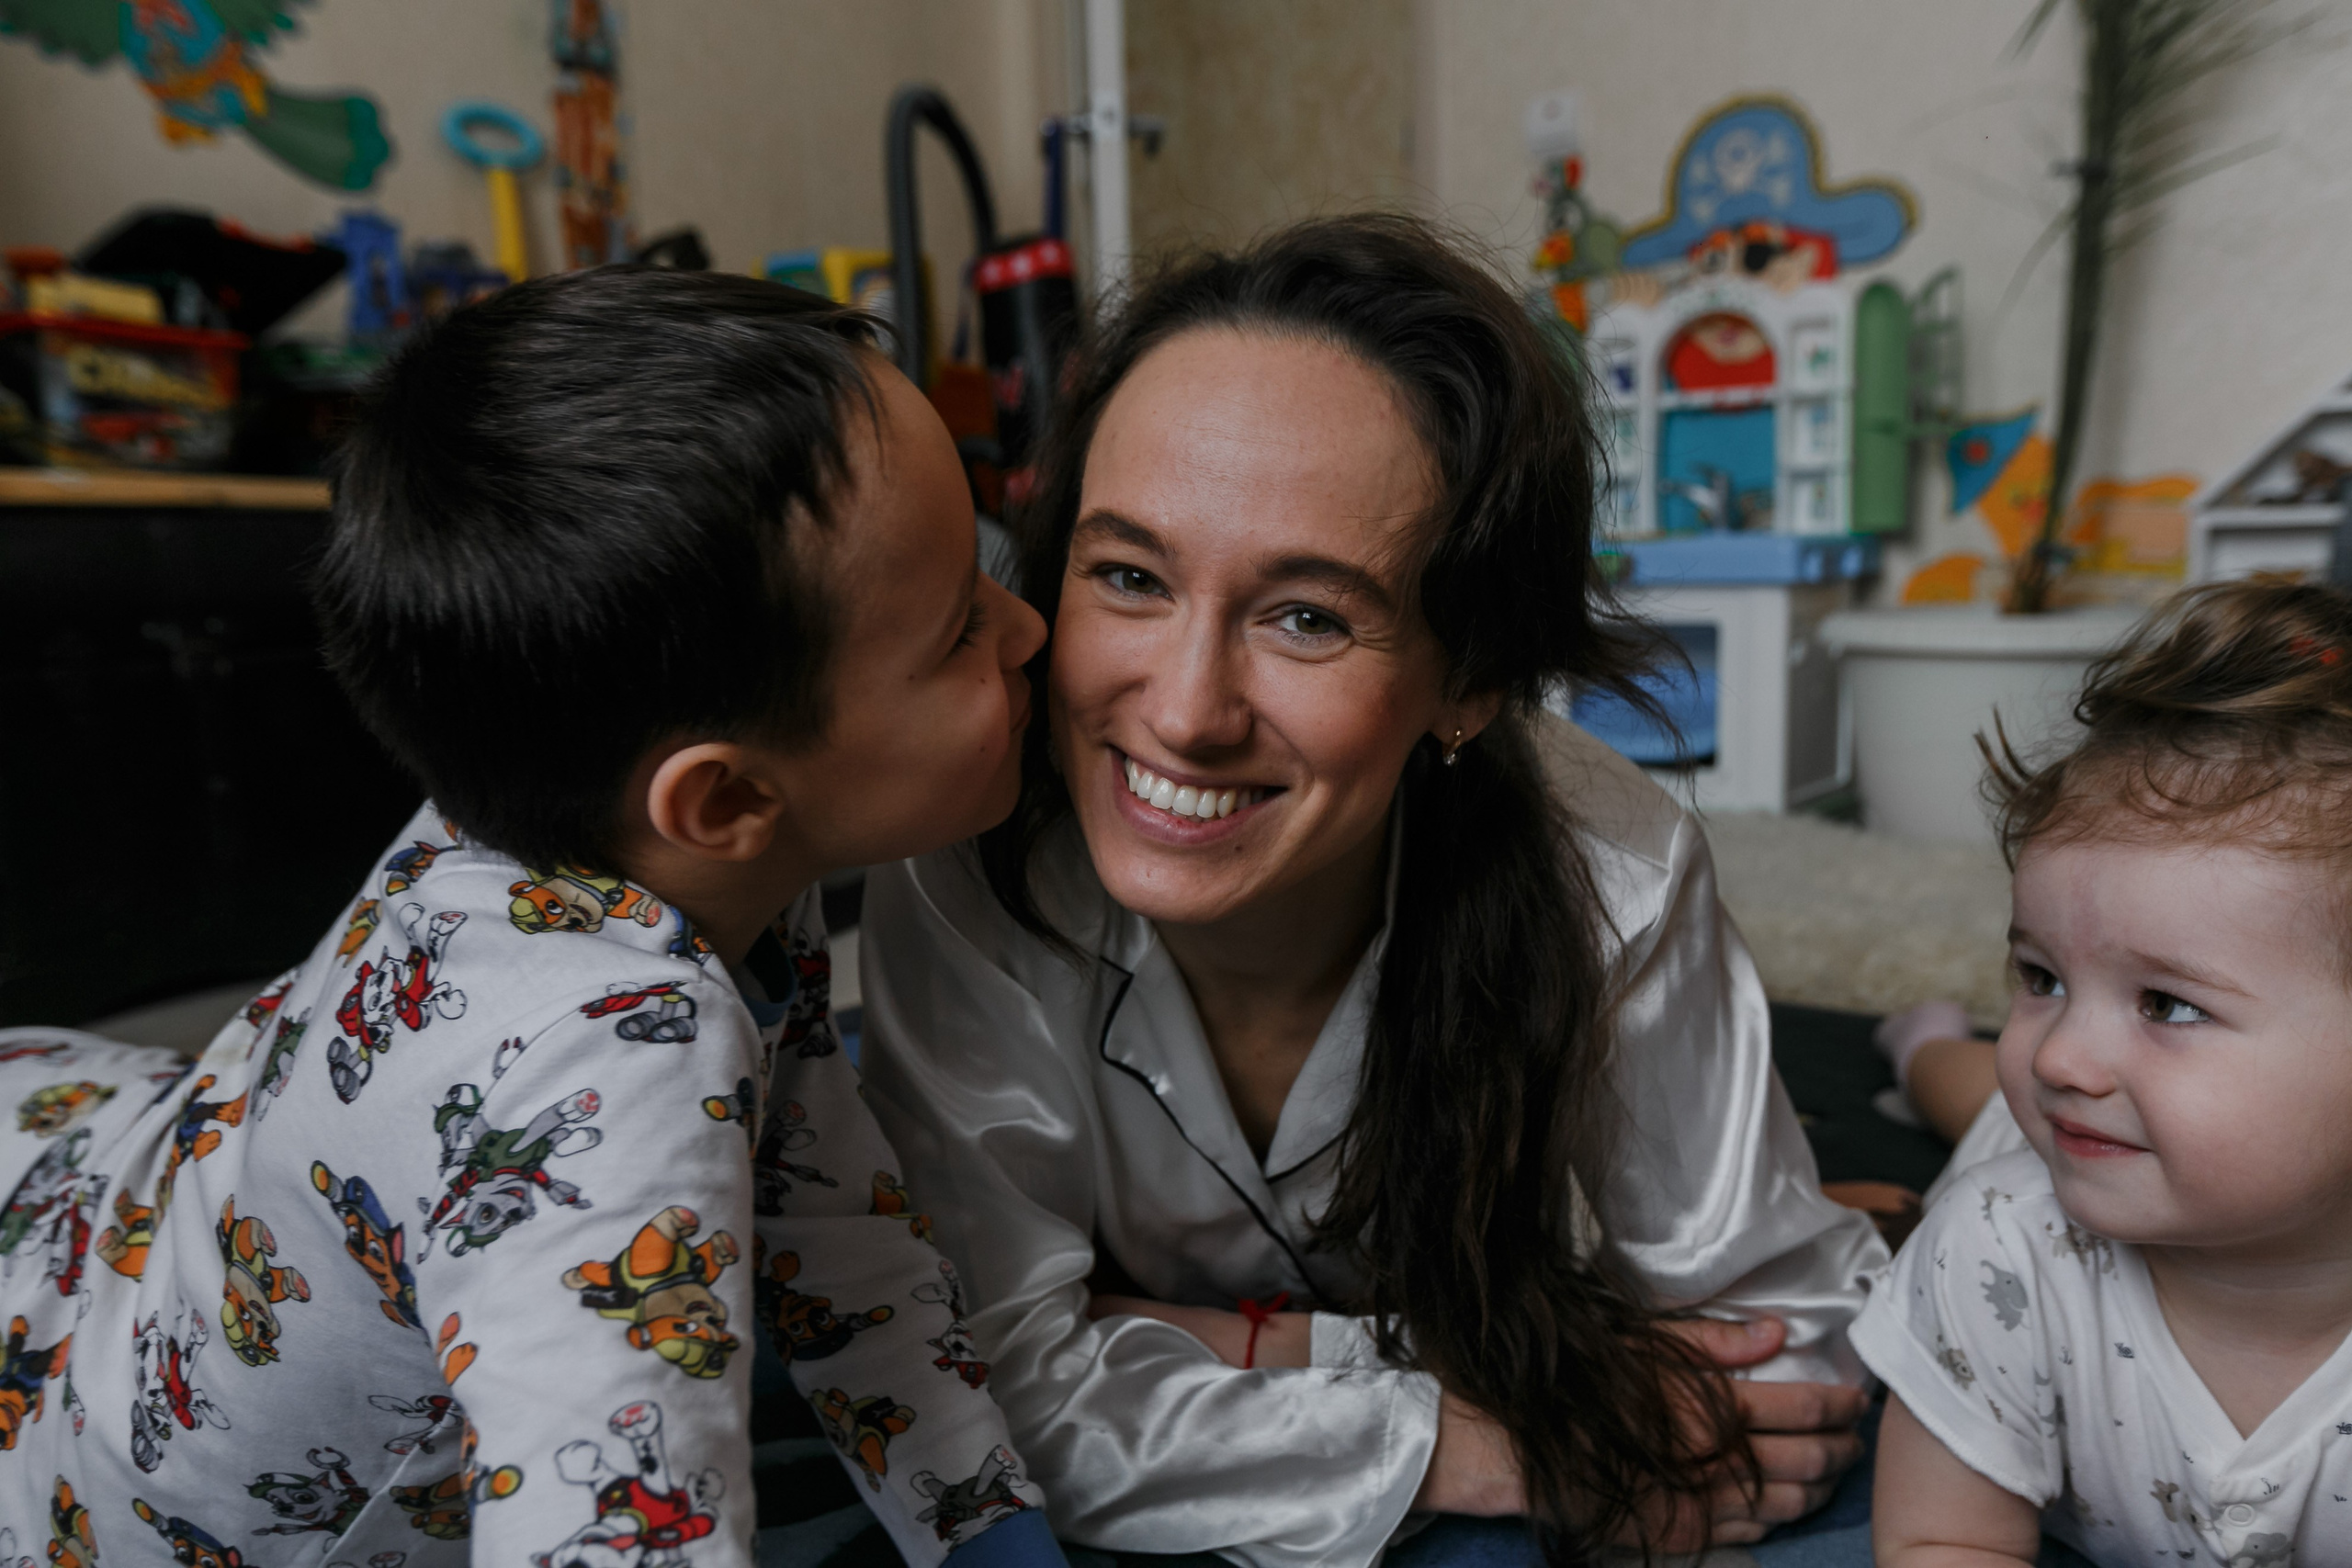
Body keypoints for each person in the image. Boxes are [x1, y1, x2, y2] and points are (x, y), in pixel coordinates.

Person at [858, 215, 1885, 1567]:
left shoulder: (1611, 875)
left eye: (1308, 616)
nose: (1183, 707)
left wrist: (1189, 1342)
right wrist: (1480, 1428)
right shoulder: (964, 857)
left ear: (1468, 681)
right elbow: (965, 1394)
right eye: (1129, 575)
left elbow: (1777, 1363)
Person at [0, 269, 1068, 1567]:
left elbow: (832, 1220)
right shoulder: (620, 1074)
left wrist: (988, 1527)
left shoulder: (613, 828)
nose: (1028, 628)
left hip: (127, 1189)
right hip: (104, 1479)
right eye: (963, 623)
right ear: (725, 793)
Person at [1858, 581, 2352, 1566]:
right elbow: (1943, 1541)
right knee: (1975, 1098)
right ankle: (1915, 1041)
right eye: (2039, 976)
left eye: (2167, 1003)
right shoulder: (1996, 1248)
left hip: (2097, 1142)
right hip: (2045, 1160)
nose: (2057, 1051)